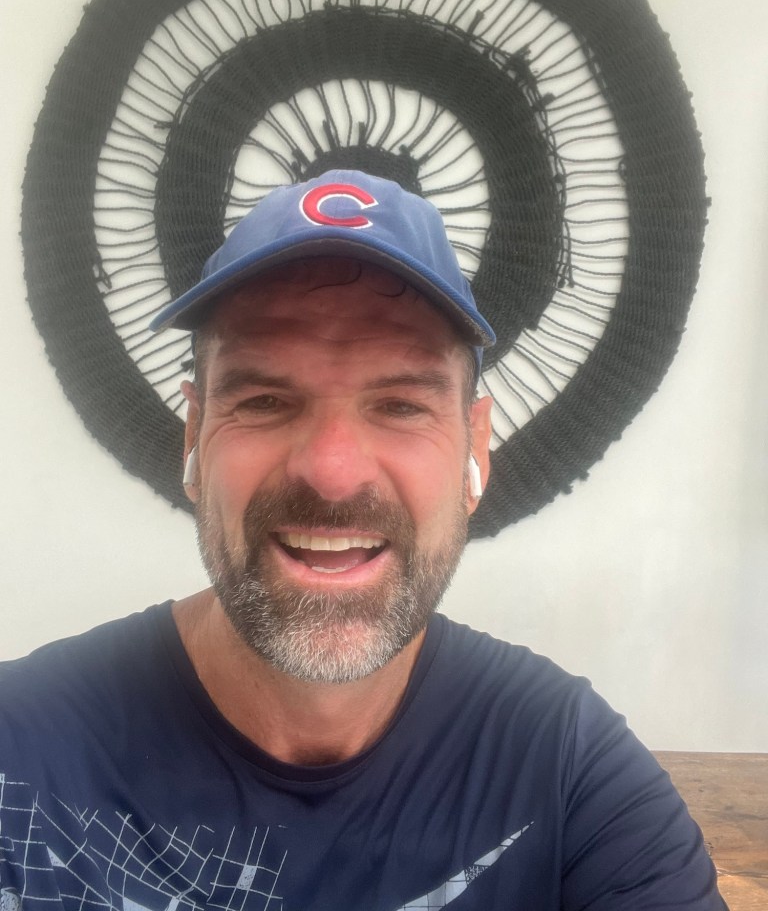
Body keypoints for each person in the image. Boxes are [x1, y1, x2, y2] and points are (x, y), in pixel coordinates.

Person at [0, 170, 726, 910]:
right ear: (195, 438)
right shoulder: (18, 750)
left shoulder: (565, 767)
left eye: (401, 404)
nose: (333, 472)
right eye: (264, 400)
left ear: (474, 449)